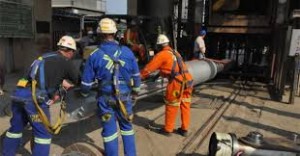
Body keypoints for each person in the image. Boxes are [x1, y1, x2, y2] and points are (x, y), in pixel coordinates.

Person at [2, 35, 79, 156]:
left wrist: (58, 83)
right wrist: (65, 86)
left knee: (15, 130)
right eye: (73, 53)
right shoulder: (66, 62)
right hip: (34, 100)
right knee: (43, 135)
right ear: (70, 51)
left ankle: (7, 153)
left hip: (18, 94)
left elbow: (38, 76)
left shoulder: (43, 57)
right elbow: (77, 80)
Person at [80, 18, 141, 156]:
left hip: (105, 100)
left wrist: (83, 95)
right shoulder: (127, 52)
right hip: (125, 98)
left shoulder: (94, 55)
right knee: (127, 128)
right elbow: (137, 76)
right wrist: (135, 93)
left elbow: (86, 85)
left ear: (100, 34)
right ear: (115, 33)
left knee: (109, 132)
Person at [140, 34, 193, 136]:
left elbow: (148, 68)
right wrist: (158, 75)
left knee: (171, 105)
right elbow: (173, 67)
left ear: (159, 46)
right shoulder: (175, 52)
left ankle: (168, 130)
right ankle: (184, 129)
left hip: (177, 83)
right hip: (188, 81)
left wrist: (140, 76)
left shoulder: (161, 55)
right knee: (185, 104)